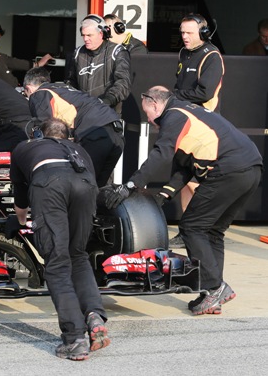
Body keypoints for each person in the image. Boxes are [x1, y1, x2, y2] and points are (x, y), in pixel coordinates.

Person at [104, 86, 263, 316]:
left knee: (191, 227)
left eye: (147, 113)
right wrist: (163, 195)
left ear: (156, 104)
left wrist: (131, 185)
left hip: (229, 169)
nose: (149, 119)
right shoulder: (189, 112)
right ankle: (212, 293)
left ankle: (215, 287)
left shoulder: (175, 115)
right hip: (251, 169)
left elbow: (162, 153)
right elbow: (183, 166)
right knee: (213, 231)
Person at [9, 118, 109, 361]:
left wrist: (20, 221)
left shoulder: (25, 147)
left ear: (40, 135)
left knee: (57, 263)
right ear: (69, 137)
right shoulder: (80, 149)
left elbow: (20, 192)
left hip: (50, 183)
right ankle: (94, 314)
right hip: (86, 186)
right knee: (78, 255)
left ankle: (74, 338)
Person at [171, 13, 225, 247]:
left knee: (198, 181)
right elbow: (180, 85)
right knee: (184, 176)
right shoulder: (184, 53)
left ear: (203, 33)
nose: (184, 37)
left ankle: (203, 230)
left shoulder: (212, 56)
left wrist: (174, 98)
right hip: (184, 122)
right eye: (182, 32)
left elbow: (205, 93)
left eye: (189, 32)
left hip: (204, 126)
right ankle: (186, 231)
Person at [23, 66, 124, 187]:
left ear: (28, 88)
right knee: (97, 191)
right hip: (116, 134)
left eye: (26, 93)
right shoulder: (67, 89)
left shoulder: (39, 94)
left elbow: (46, 128)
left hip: (94, 134)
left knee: (81, 186)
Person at [64, 14, 131, 115]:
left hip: (108, 113)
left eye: (89, 35)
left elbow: (123, 83)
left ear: (101, 34)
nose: (85, 39)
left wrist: (107, 101)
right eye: (83, 35)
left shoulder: (117, 52)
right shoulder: (77, 53)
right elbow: (70, 82)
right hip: (82, 113)